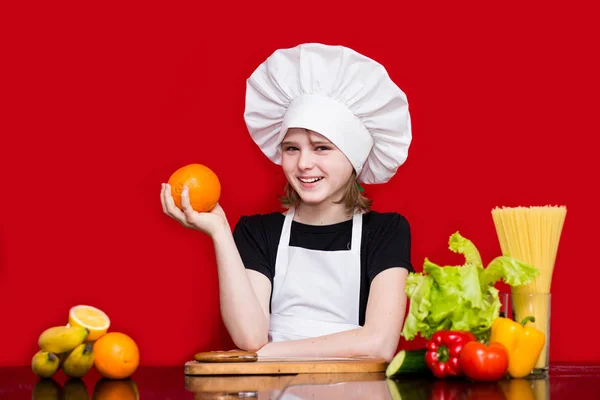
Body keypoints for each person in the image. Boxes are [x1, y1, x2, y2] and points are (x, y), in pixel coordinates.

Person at [160, 43, 413, 362]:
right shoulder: (257, 232)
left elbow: (378, 344)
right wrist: (220, 230)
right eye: (292, 148)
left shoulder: (387, 231)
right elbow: (250, 335)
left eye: (321, 148)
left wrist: (263, 355)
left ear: (353, 157)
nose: (303, 163)